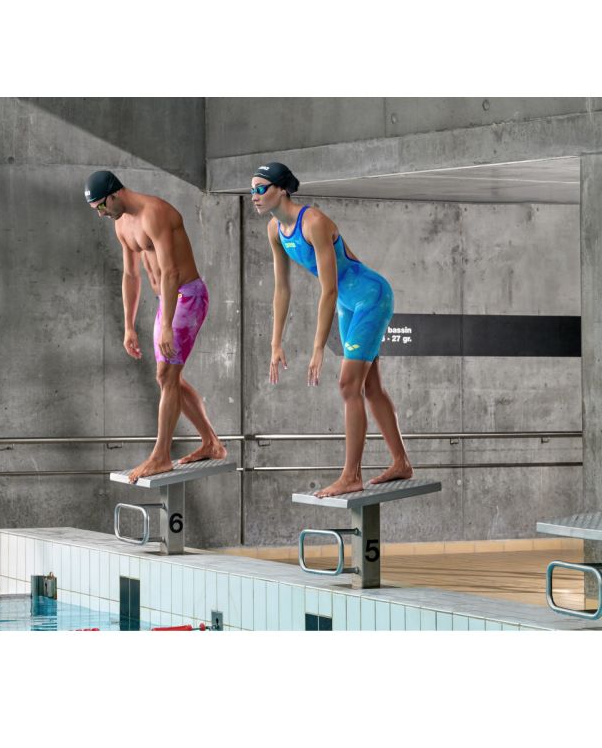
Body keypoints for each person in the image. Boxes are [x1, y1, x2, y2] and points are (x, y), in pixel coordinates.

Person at [251, 162, 413, 497]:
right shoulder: (274, 230)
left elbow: (329, 289)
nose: (254, 195)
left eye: (261, 188)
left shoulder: (313, 222)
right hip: (348, 303)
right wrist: (275, 343)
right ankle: (401, 463)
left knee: (348, 385)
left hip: (370, 296)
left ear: (282, 190)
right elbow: (282, 289)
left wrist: (318, 349)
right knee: (370, 387)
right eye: (252, 189)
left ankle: (351, 476)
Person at [85, 170, 226, 482]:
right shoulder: (122, 223)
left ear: (114, 194)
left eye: (101, 207)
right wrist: (129, 325)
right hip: (167, 299)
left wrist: (166, 327)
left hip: (187, 295)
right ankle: (211, 443)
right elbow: (130, 275)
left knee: (167, 375)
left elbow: (171, 271)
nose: (101, 214)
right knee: (168, 377)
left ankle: (162, 455)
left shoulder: (155, 213)